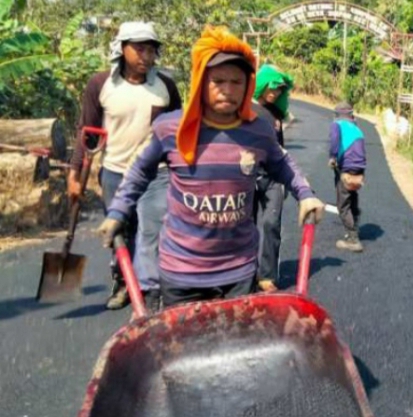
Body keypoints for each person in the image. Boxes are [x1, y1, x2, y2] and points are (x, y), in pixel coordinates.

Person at [97, 26, 324, 308]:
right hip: (182, 271)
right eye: (218, 81)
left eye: (237, 82)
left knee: (235, 348)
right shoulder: (171, 128)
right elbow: (141, 172)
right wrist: (119, 211)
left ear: (249, 85)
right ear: (201, 81)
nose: (228, 90)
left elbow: (282, 163)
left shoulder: (258, 130)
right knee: (185, 348)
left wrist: (305, 194)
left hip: (239, 270)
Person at [67, 22, 181, 310]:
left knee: (152, 231)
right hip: (114, 171)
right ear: (122, 48)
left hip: (155, 174)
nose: (146, 56)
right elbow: (87, 131)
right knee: (119, 230)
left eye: (151, 50)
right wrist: (74, 174)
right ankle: (122, 282)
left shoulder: (165, 86)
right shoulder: (101, 84)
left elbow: (179, 129)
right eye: (139, 49)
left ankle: (151, 288)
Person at [252, 64, 294, 292]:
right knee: (246, 224)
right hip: (248, 174)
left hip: (273, 177)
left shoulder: (275, 112)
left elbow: (281, 147)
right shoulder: (244, 108)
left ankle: (267, 276)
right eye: (273, 87)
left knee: (270, 223)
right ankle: (245, 272)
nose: (276, 92)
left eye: (279, 89)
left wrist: (287, 179)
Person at [328, 102, 366, 253]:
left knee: (342, 205)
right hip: (360, 169)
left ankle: (353, 239)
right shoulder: (357, 128)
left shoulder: (337, 125)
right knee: (352, 195)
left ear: (337, 115)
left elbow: (335, 142)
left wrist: (332, 157)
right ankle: (355, 223)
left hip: (346, 168)